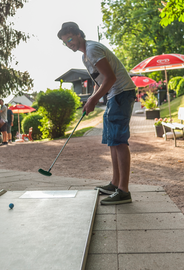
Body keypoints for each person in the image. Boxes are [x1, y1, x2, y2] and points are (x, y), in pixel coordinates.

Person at [58, 21, 136, 205]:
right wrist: (91, 98)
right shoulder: (85, 56)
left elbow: (110, 78)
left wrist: (93, 100)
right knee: (112, 141)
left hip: (121, 93)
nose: (69, 44)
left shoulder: (92, 49)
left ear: (78, 34)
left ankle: (124, 191)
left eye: (70, 39)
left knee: (119, 141)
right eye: (65, 42)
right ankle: (115, 183)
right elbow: (98, 82)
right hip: (113, 95)